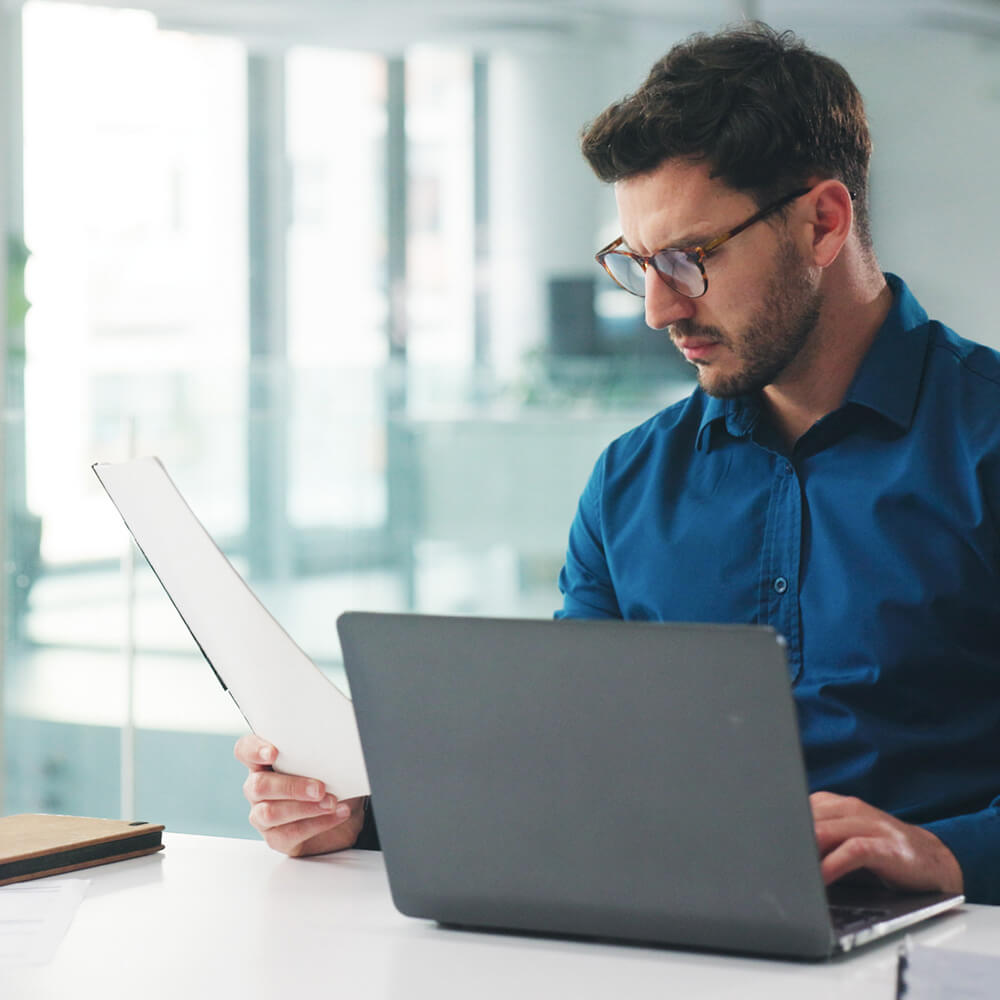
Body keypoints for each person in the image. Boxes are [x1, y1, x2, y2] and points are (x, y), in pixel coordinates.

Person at [235, 22, 1000, 904]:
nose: (658, 309)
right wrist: (363, 811)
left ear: (823, 223)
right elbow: (574, 763)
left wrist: (949, 857)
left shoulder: (981, 442)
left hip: (943, 947)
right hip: (671, 941)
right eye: (637, 265)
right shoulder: (629, 484)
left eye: (688, 259)